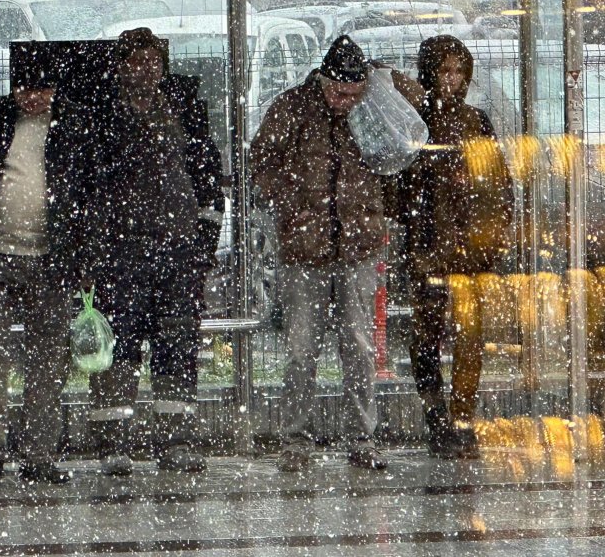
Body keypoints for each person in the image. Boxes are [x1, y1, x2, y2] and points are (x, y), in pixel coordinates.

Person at [0, 47, 96, 485]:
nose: (33, 97)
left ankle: (39, 454)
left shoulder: (75, 125)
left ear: (55, 87)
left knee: (50, 361)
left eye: (42, 88)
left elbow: (90, 194)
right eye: (25, 87)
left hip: (52, 263)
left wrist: (81, 254)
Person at [250, 35, 407, 472]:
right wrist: (291, 204)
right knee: (302, 350)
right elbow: (261, 160)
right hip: (305, 249)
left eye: (354, 95)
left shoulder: (371, 109)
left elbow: (408, 128)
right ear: (321, 81)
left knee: (358, 347)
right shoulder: (292, 108)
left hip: (357, 246)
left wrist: (381, 82)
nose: (345, 103)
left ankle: (362, 438)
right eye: (339, 93)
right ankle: (296, 440)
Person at [87, 27, 223, 476]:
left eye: (151, 62)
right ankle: (114, 443)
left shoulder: (185, 109)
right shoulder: (101, 117)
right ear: (120, 66)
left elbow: (207, 175)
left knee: (177, 343)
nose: (144, 71)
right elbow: (90, 188)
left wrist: (202, 241)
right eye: (135, 62)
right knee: (119, 346)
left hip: (177, 251)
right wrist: (96, 247)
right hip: (120, 253)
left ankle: (175, 439)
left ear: (162, 66)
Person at [398, 35, 513, 459]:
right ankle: (437, 419)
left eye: (460, 71)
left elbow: (498, 182)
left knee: (469, 333)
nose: (454, 80)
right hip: (428, 246)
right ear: (430, 73)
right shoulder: (416, 121)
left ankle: (462, 418)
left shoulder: (476, 121)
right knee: (427, 336)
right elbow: (403, 186)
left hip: (469, 246)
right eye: (445, 71)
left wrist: (495, 230)